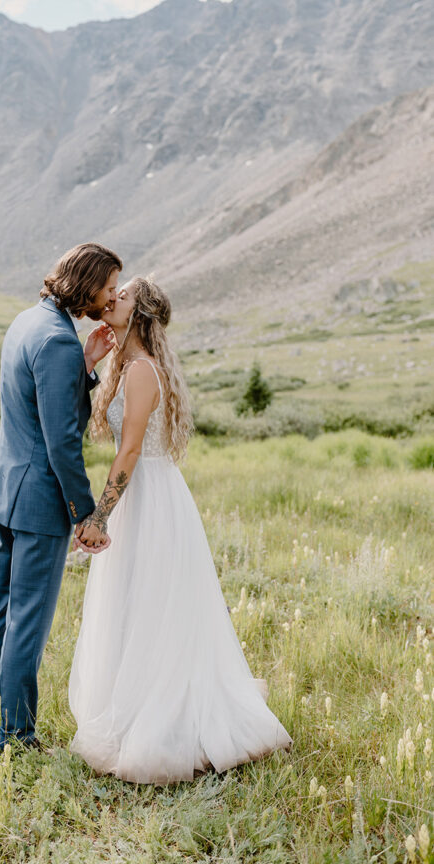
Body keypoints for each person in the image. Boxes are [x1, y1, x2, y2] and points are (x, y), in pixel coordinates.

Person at [69, 276, 292, 783]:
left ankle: (162, 722)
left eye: (120, 296)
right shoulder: (126, 365)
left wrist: (99, 515)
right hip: (147, 494)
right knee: (141, 603)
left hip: (149, 498)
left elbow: (128, 452)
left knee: (152, 604)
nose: (110, 299)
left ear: (140, 313)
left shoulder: (142, 371)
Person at [0, 242, 120, 754]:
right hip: (37, 502)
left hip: (6, 490)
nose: (112, 297)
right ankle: (18, 736)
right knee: (27, 619)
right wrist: (85, 510)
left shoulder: (29, 322)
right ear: (88, 284)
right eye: (109, 287)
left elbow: (38, 403)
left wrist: (87, 364)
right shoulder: (57, 340)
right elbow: (61, 439)